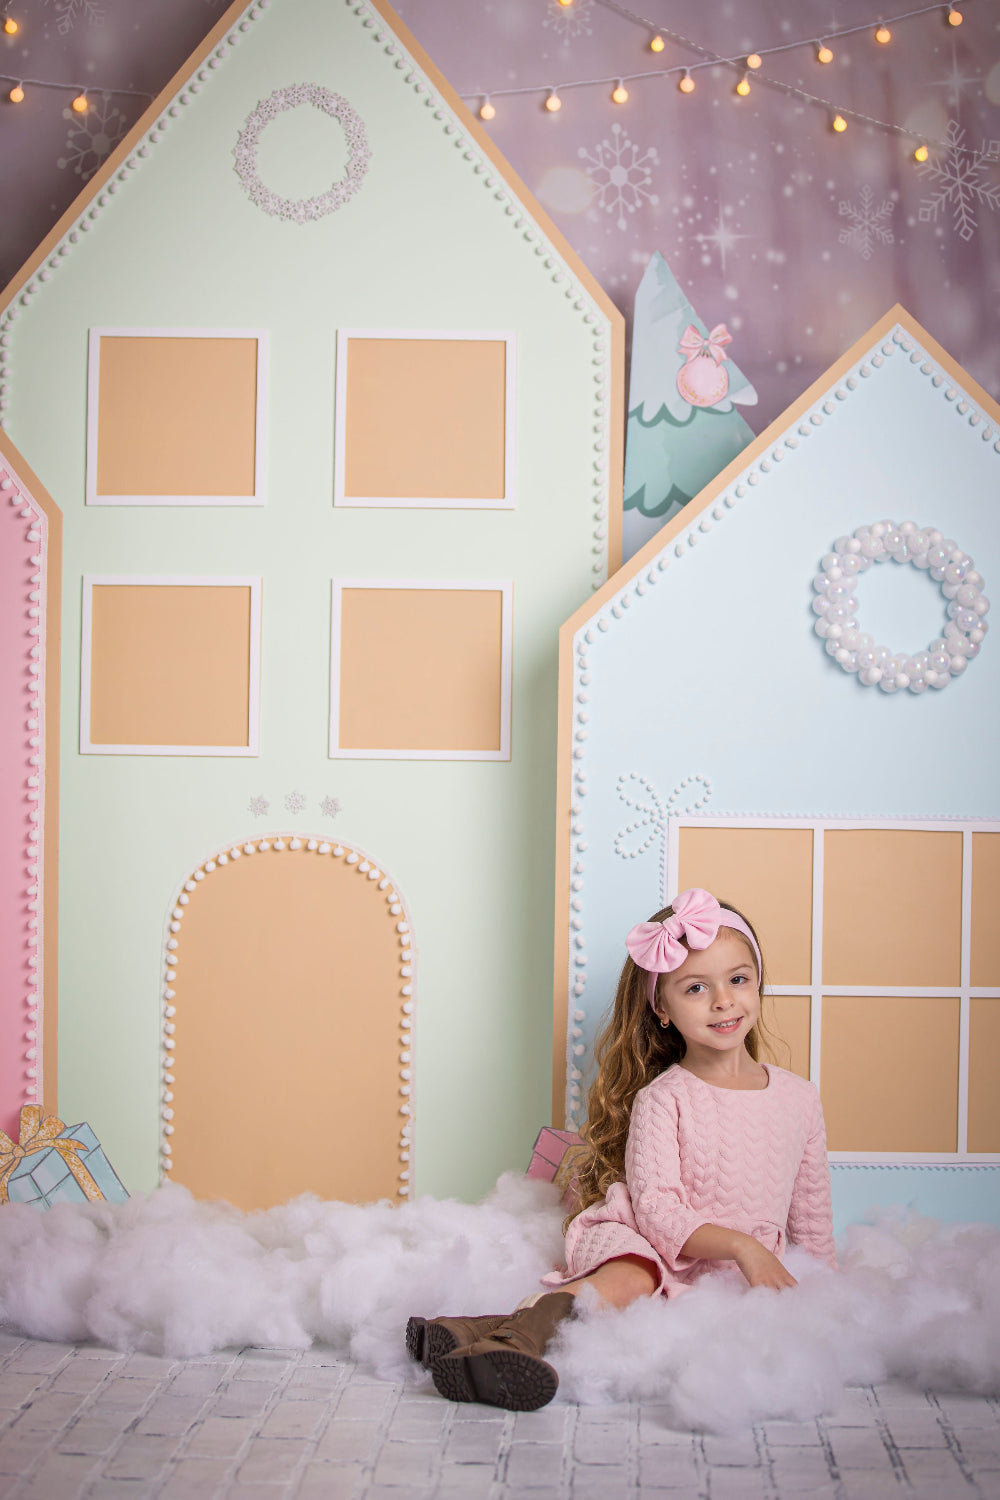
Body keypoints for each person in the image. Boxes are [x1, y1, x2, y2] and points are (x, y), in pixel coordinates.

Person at [406, 888, 836, 1411]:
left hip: (724, 1274)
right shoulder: (664, 1098)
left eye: (738, 979)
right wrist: (744, 1246)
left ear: (758, 983)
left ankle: (467, 1334)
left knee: (678, 1319)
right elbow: (657, 1211)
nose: (724, 1000)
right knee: (634, 1278)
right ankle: (512, 1348)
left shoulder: (798, 1098)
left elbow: (811, 1220)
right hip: (646, 1241)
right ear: (661, 1008)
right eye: (696, 987)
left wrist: (820, 1299)